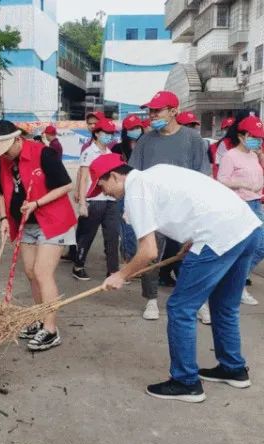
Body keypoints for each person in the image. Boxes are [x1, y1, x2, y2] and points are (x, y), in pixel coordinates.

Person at [91, 152, 262, 402]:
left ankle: (185, 382)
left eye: (102, 185)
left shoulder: (136, 190)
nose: (104, 193)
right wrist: (192, 238)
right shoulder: (156, 171)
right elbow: (193, 201)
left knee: (181, 308)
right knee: (224, 305)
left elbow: (148, 251)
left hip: (218, 236)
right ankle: (233, 368)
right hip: (247, 228)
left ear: (115, 176)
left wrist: (121, 275)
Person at [0, 120, 77, 353]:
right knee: (30, 272)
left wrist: (37, 203)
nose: (3, 155)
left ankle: (51, 329)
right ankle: (39, 317)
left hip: (53, 220)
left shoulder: (44, 153)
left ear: (18, 139)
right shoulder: (3, 160)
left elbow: (66, 186)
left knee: (42, 272)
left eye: (6, 149)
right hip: (25, 223)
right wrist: (4, 218)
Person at [129, 90, 211, 322]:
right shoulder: (145, 140)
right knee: (150, 256)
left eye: (157, 110)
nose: (152, 115)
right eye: (150, 111)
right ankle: (151, 300)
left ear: (174, 111)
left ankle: (198, 302)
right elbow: (134, 175)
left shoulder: (192, 139)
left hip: (185, 211)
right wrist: (132, 207)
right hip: (153, 210)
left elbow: (203, 176)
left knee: (191, 256)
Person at [216, 115, 264, 307]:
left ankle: (237, 280)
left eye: (260, 137)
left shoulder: (254, 155)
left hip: (256, 204)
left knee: (258, 246)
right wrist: (241, 184)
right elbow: (221, 180)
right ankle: (237, 286)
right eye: (254, 136)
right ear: (241, 135)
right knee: (243, 248)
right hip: (240, 206)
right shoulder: (231, 156)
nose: (257, 140)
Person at [73, 118, 121, 282]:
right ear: (97, 133)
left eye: (111, 133)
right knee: (87, 235)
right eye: (106, 133)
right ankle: (78, 266)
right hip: (94, 200)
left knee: (112, 235)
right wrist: (82, 203)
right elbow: (84, 178)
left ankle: (113, 271)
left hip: (110, 200)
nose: (109, 136)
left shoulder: (110, 154)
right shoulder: (89, 152)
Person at [112, 115, 144, 262]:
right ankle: (129, 259)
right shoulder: (117, 149)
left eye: (137, 127)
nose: (135, 130)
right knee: (127, 227)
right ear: (125, 130)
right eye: (131, 128)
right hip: (125, 192)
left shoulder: (148, 146)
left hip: (144, 191)